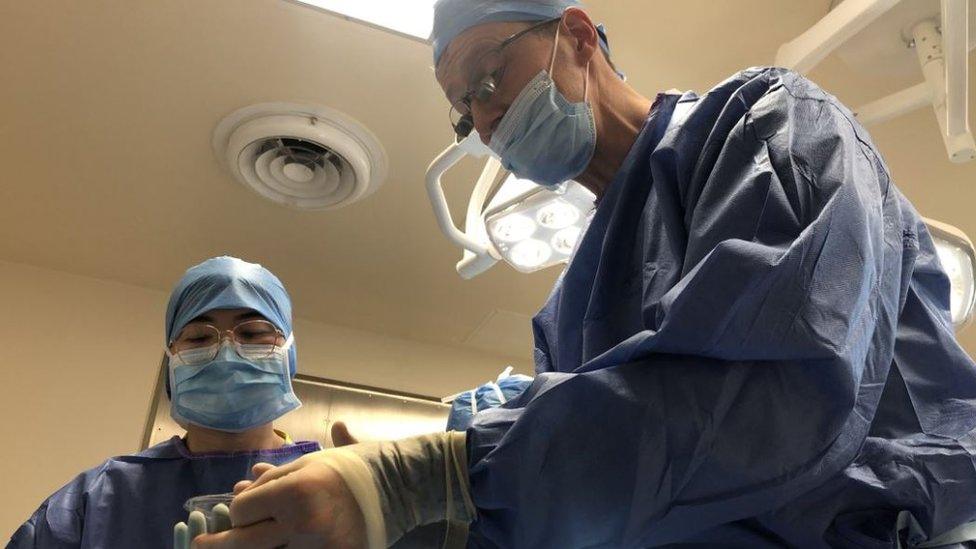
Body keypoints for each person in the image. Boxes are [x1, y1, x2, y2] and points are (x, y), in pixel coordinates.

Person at [193, 1, 976, 548]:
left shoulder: (766, 125)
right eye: (465, 111)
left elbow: (773, 389)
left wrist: (421, 479)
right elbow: (600, 501)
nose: (487, 122)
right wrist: (412, 523)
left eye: (489, 81)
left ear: (575, 36)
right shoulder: (570, 311)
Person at [7, 256, 324, 549]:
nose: (227, 352)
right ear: (173, 362)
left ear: (290, 356)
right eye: (200, 337)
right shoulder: (96, 501)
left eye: (254, 333)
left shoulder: (334, 487)